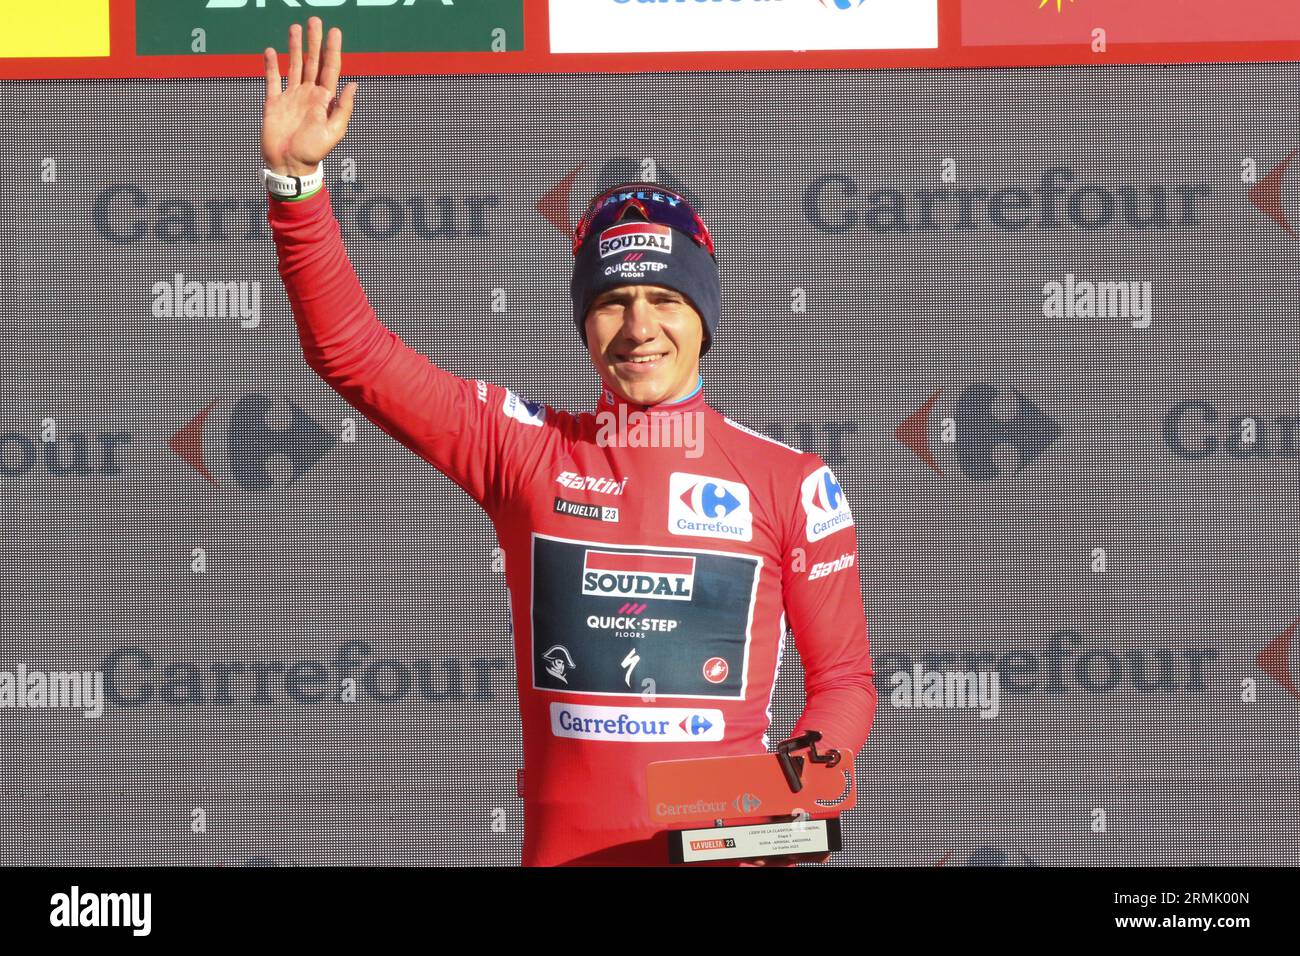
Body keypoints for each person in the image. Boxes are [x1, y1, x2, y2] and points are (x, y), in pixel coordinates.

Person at [261, 16, 877, 867]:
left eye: (665, 299)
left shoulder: (790, 483)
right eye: (611, 302)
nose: (639, 327)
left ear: (705, 317)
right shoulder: (525, 450)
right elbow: (351, 354)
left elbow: (843, 684)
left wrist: (805, 774)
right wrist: (297, 186)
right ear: (584, 324)